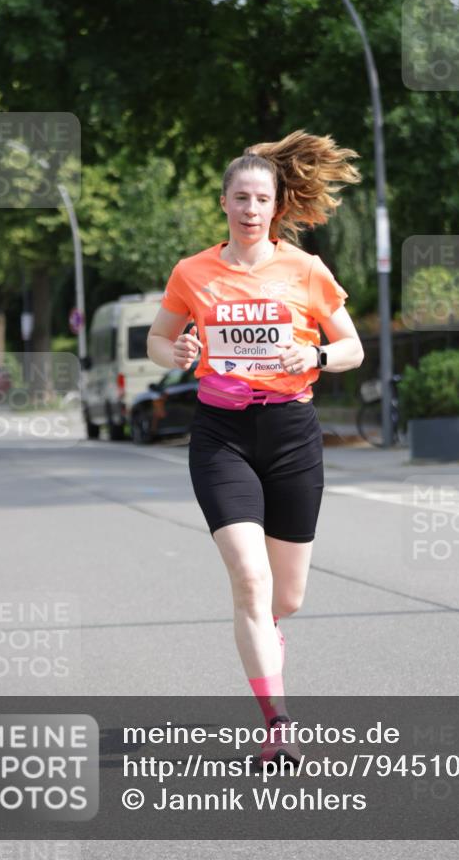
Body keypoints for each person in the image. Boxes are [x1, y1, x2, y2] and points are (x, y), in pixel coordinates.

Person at [147, 129, 364, 766]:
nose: (249, 209)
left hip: (293, 432)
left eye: (260, 198)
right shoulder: (193, 272)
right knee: (249, 578)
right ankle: (277, 721)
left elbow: (351, 349)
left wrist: (315, 352)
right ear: (224, 204)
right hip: (222, 435)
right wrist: (178, 350)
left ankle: (269, 639)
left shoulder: (306, 270)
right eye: (238, 197)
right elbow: (160, 341)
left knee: (284, 599)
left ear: (275, 206)